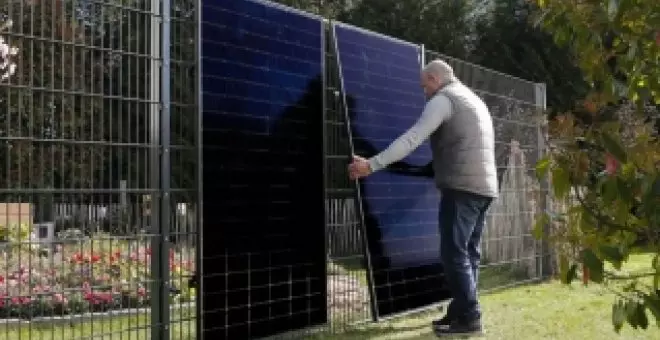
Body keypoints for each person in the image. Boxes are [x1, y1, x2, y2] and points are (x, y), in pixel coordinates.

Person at [348, 59, 498, 337]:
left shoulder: (443, 99)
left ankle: (471, 319)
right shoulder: (471, 98)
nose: (423, 93)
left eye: (424, 86)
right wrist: (425, 169)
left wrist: (371, 165)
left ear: (433, 78)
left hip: (462, 189)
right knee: (469, 254)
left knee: (454, 254)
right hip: (485, 188)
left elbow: (412, 138)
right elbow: (464, 145)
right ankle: (460, 311)